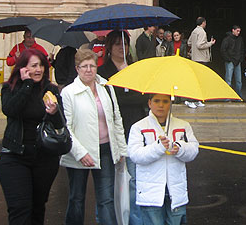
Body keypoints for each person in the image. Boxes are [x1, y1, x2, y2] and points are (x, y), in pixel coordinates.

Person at [61, 49, 128, 225]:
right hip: (79, 152)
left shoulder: (107, 86)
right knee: (76, 198)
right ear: (77, 68)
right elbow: (66, 128)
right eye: (84, 66)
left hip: (105, 149)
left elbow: (116, 118)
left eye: (92, 65)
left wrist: (121, 148)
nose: (89, 70)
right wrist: (80, 153)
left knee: (106, 199)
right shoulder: (68, 92)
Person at [0, 49, 62, 223]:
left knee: (37, 207)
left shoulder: (51, 90)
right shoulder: (10, 88)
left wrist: (54, 113)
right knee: (20, 209)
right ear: (23, 68)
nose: (38, 69)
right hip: (15, 156)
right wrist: (26, 85)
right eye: (33, 66)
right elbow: (11, 110)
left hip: (44, 159)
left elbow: (60, 125)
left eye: (41, 65)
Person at [98, 30, 149, 225]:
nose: (122, 47)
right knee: (109, 183)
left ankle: (135, 220)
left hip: (136, 130)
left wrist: (122, 97)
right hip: (112, 133)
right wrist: (128, 97)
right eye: (117, 43)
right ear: (109, 47)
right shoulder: (102, 72)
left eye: (125, 43)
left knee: (135, 181)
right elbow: (109, 101)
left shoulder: (135, 69)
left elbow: (144, 96)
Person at [129, 93, 199, 224]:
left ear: (171, 103)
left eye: (165, 101)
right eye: (157, 101)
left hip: (176, 192)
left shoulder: (183, 126)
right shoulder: (138, 127)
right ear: (149, 103)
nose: (161, 105)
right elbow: (135, 155)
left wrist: (180, 148)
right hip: (151, 194)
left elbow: (194, 150)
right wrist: (158, 147)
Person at [186, 17, 215, 108]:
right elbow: (200, 45)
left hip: (194, 57)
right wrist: (210, 43)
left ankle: (196, 100)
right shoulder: (202, 32)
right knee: (200, 81)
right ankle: (193, 100)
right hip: (201, 58)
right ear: (203, 23)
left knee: (195, 80)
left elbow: (189, 42)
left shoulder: (194, 31)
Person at [221, 25, 244, 97]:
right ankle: (227, 96)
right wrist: (228, 59)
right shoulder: (227, 39)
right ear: (233, 30)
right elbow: (223, 50)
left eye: (239, 31)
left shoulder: (240, 39)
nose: (238, 33)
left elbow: (242, 49)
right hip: (230, 61)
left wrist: (240, 59)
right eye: (237, 31)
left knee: (239, 81)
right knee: (228, 80)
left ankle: (238, 96)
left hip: (237, 61)